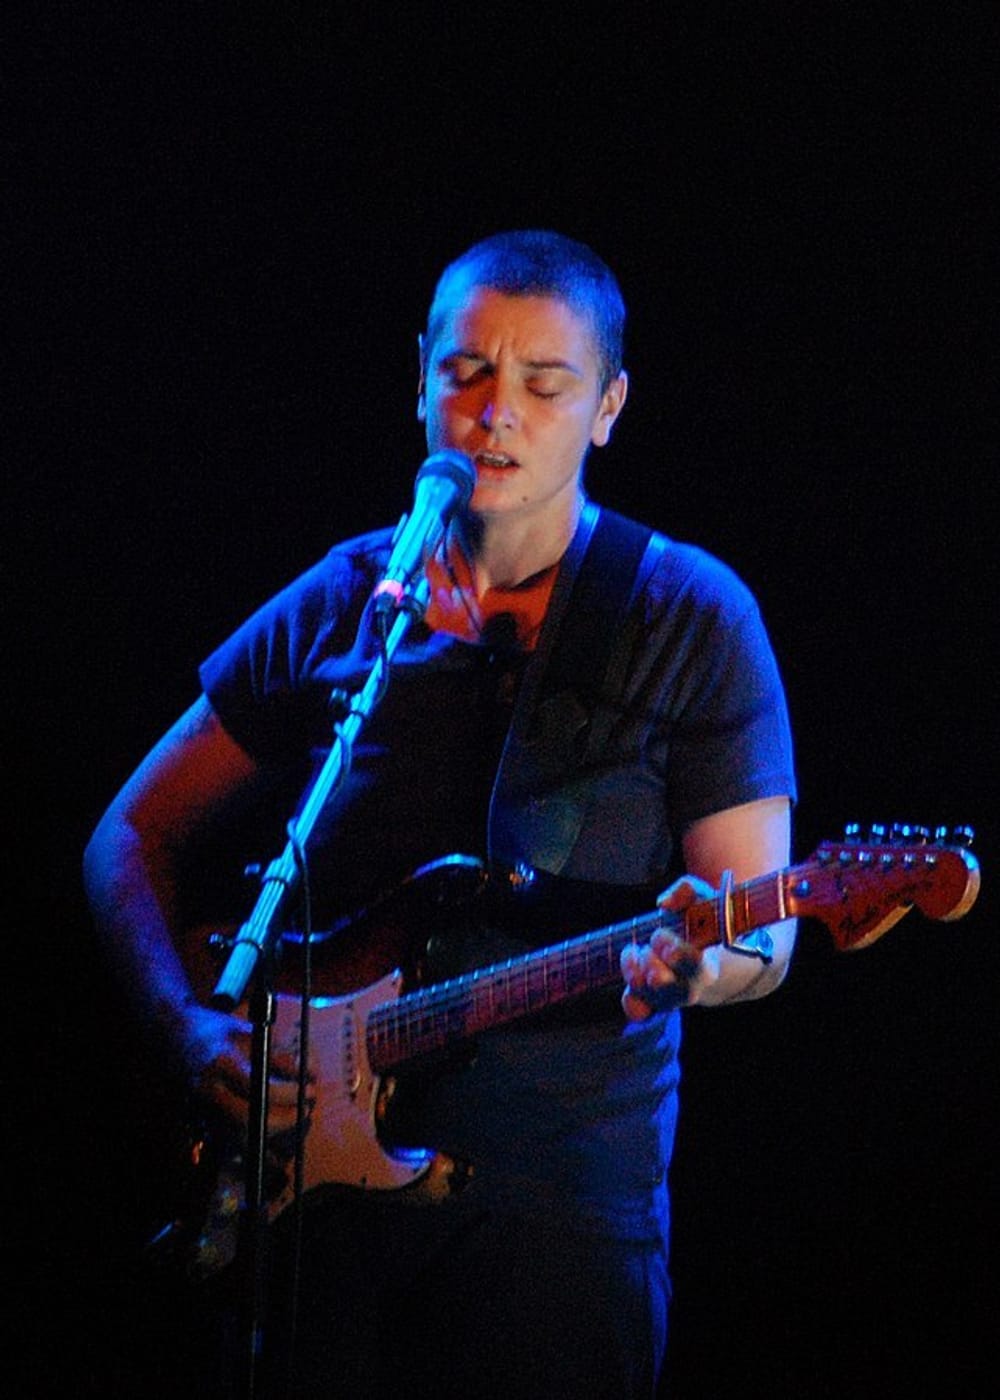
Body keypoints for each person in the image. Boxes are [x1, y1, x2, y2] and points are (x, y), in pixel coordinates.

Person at [83, 229, 797, 1399]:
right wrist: (184, 1024)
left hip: (555, 1222)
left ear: (607, 405)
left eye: (544, 384)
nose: (495, 413)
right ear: (419, 375)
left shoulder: (689, 614)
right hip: (310, 1207)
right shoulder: (349, 597)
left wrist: (704, 966)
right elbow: (130, 832)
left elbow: (761, 928)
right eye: (465, 373)